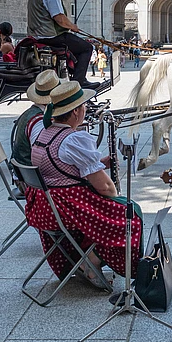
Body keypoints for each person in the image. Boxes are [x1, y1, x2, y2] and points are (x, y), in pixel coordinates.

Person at [25, 81, 143, 288]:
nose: (86, 108)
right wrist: (115, 196)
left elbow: (61, 168)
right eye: (84, 105)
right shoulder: (73, 139)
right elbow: (105, 188)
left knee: (120, 208)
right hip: (65, 208)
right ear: (76, 112)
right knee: (130, 213)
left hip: (43, 207)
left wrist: (97, 165)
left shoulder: (43, 133)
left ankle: (85, 261)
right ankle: (91, 261)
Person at [27, 0, 97, 89]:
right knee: (87, 48)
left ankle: (72, 75)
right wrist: (72, 27)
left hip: (36, 36)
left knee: (76, 46)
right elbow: (59, 18)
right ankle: (79, 81)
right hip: (51, 36)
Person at [11, 70, 61, 168]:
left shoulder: (33, 113)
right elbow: (41, 155)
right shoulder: (38, 121)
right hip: (31, 176)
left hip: (27, 172)